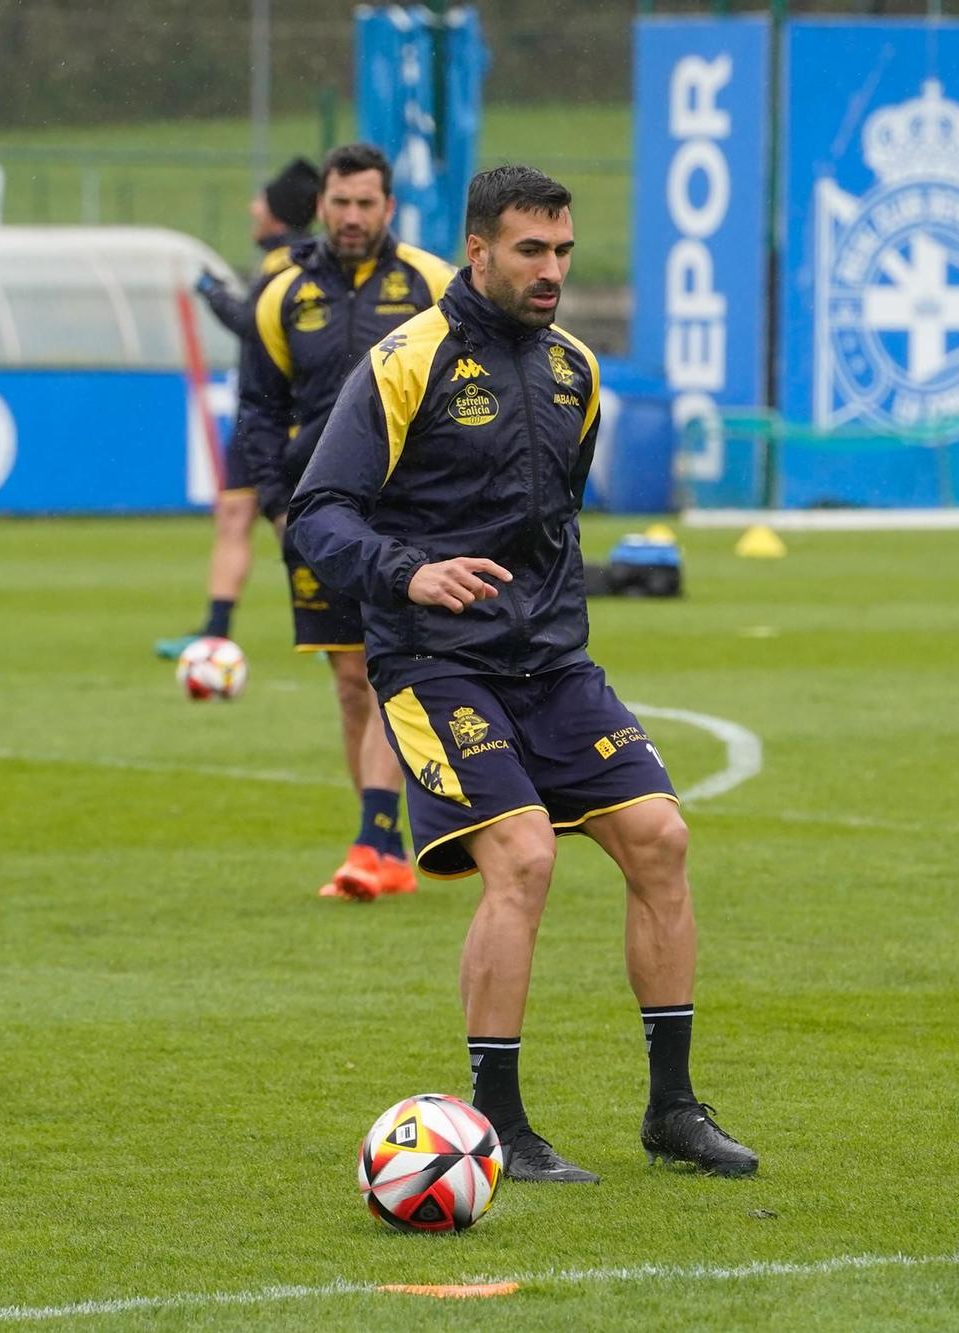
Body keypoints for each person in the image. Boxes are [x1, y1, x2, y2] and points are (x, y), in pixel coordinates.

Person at [288, 164, 758, 1182]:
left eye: (564, 253)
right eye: (530, 251)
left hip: (551, 663)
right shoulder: (403, 362)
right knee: (524, 855)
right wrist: (411, 570)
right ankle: (495, 1121)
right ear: (477, 249)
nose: (552, 271)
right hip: (433, 666)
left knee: (661, 838)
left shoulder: (573, 372)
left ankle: (672, 1110)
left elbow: (552, 527)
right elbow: (317, 515)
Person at [236, 143, 455, 901]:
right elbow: (259, 410)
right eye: (341, 203)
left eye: (367, 204)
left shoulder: (434, 284)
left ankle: (375, 841)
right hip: (319, 513)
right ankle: (384, 841)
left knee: (387, 671)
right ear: (322, 205)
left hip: (409, 514)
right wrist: (274, 502)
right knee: (350, 682)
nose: (353, 217)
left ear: (389, 208)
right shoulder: (281, 295)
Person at [156, 158, 321, 660]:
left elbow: (251, 323)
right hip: (257, 415)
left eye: (261, 202)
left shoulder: (293, 265)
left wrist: (211, 293)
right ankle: (216, 629)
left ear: (276, 214)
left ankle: (332, 620)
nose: (253, 208)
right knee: (233, 516)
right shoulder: (284, 262)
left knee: (297, 521)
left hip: (284, 416)